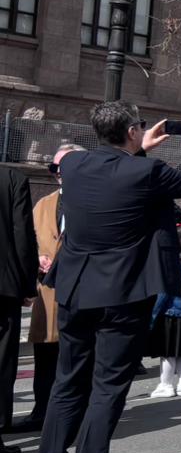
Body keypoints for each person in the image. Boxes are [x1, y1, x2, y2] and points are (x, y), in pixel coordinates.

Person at [39, 103, 181, 453]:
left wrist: (138, 149)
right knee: (108, 383)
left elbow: (113, 173)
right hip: (122, 292)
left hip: (75, 287)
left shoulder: (72, 165)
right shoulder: (148, 171)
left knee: (67, 378)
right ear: (132, 131)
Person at [23, 145, 85, 432]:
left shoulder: (92, 201)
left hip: (82, 292)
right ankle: (41, 412)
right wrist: (35, 257)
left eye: (65, 167)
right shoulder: (43, 203)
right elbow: (28, 239)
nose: (59, 174)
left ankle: (74, 415)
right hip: (46, 294)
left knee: (76, 358)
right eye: (55, 169)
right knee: (45, 358)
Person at [0, 160, 37, 453]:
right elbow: (22, 232)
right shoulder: (12, 178)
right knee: (1, 359)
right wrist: (27, 285)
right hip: (3, 285)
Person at [147, 225, 181, 398]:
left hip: (171, 314)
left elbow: (163, 294)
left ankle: (166, 385)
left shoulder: (171, 264)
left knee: (168, 354)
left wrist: (152, 316)